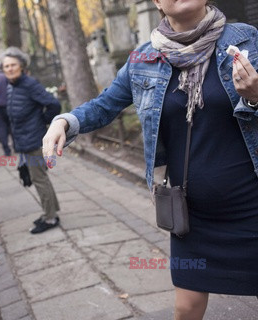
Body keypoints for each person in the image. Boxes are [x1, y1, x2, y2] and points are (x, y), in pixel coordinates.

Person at [43, 1, 258, 319]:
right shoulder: (143, 58)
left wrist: (255, 96)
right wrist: (64, 122)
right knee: (186, 309)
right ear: (157, 2)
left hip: (250, 206)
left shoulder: (244, 39)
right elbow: (105, 105)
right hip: (192, 216)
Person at [1, 47, 61, 234]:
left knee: (39, 179)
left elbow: (53, 104)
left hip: (34, 141)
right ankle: (50, 212)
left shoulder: (29, 84)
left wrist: (43, 123)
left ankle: (50, 218)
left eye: (13, 65)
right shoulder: (12, 85)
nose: (9, 69)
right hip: (24, 141)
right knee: (39, 178)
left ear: (21, 66)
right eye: (6, 66)